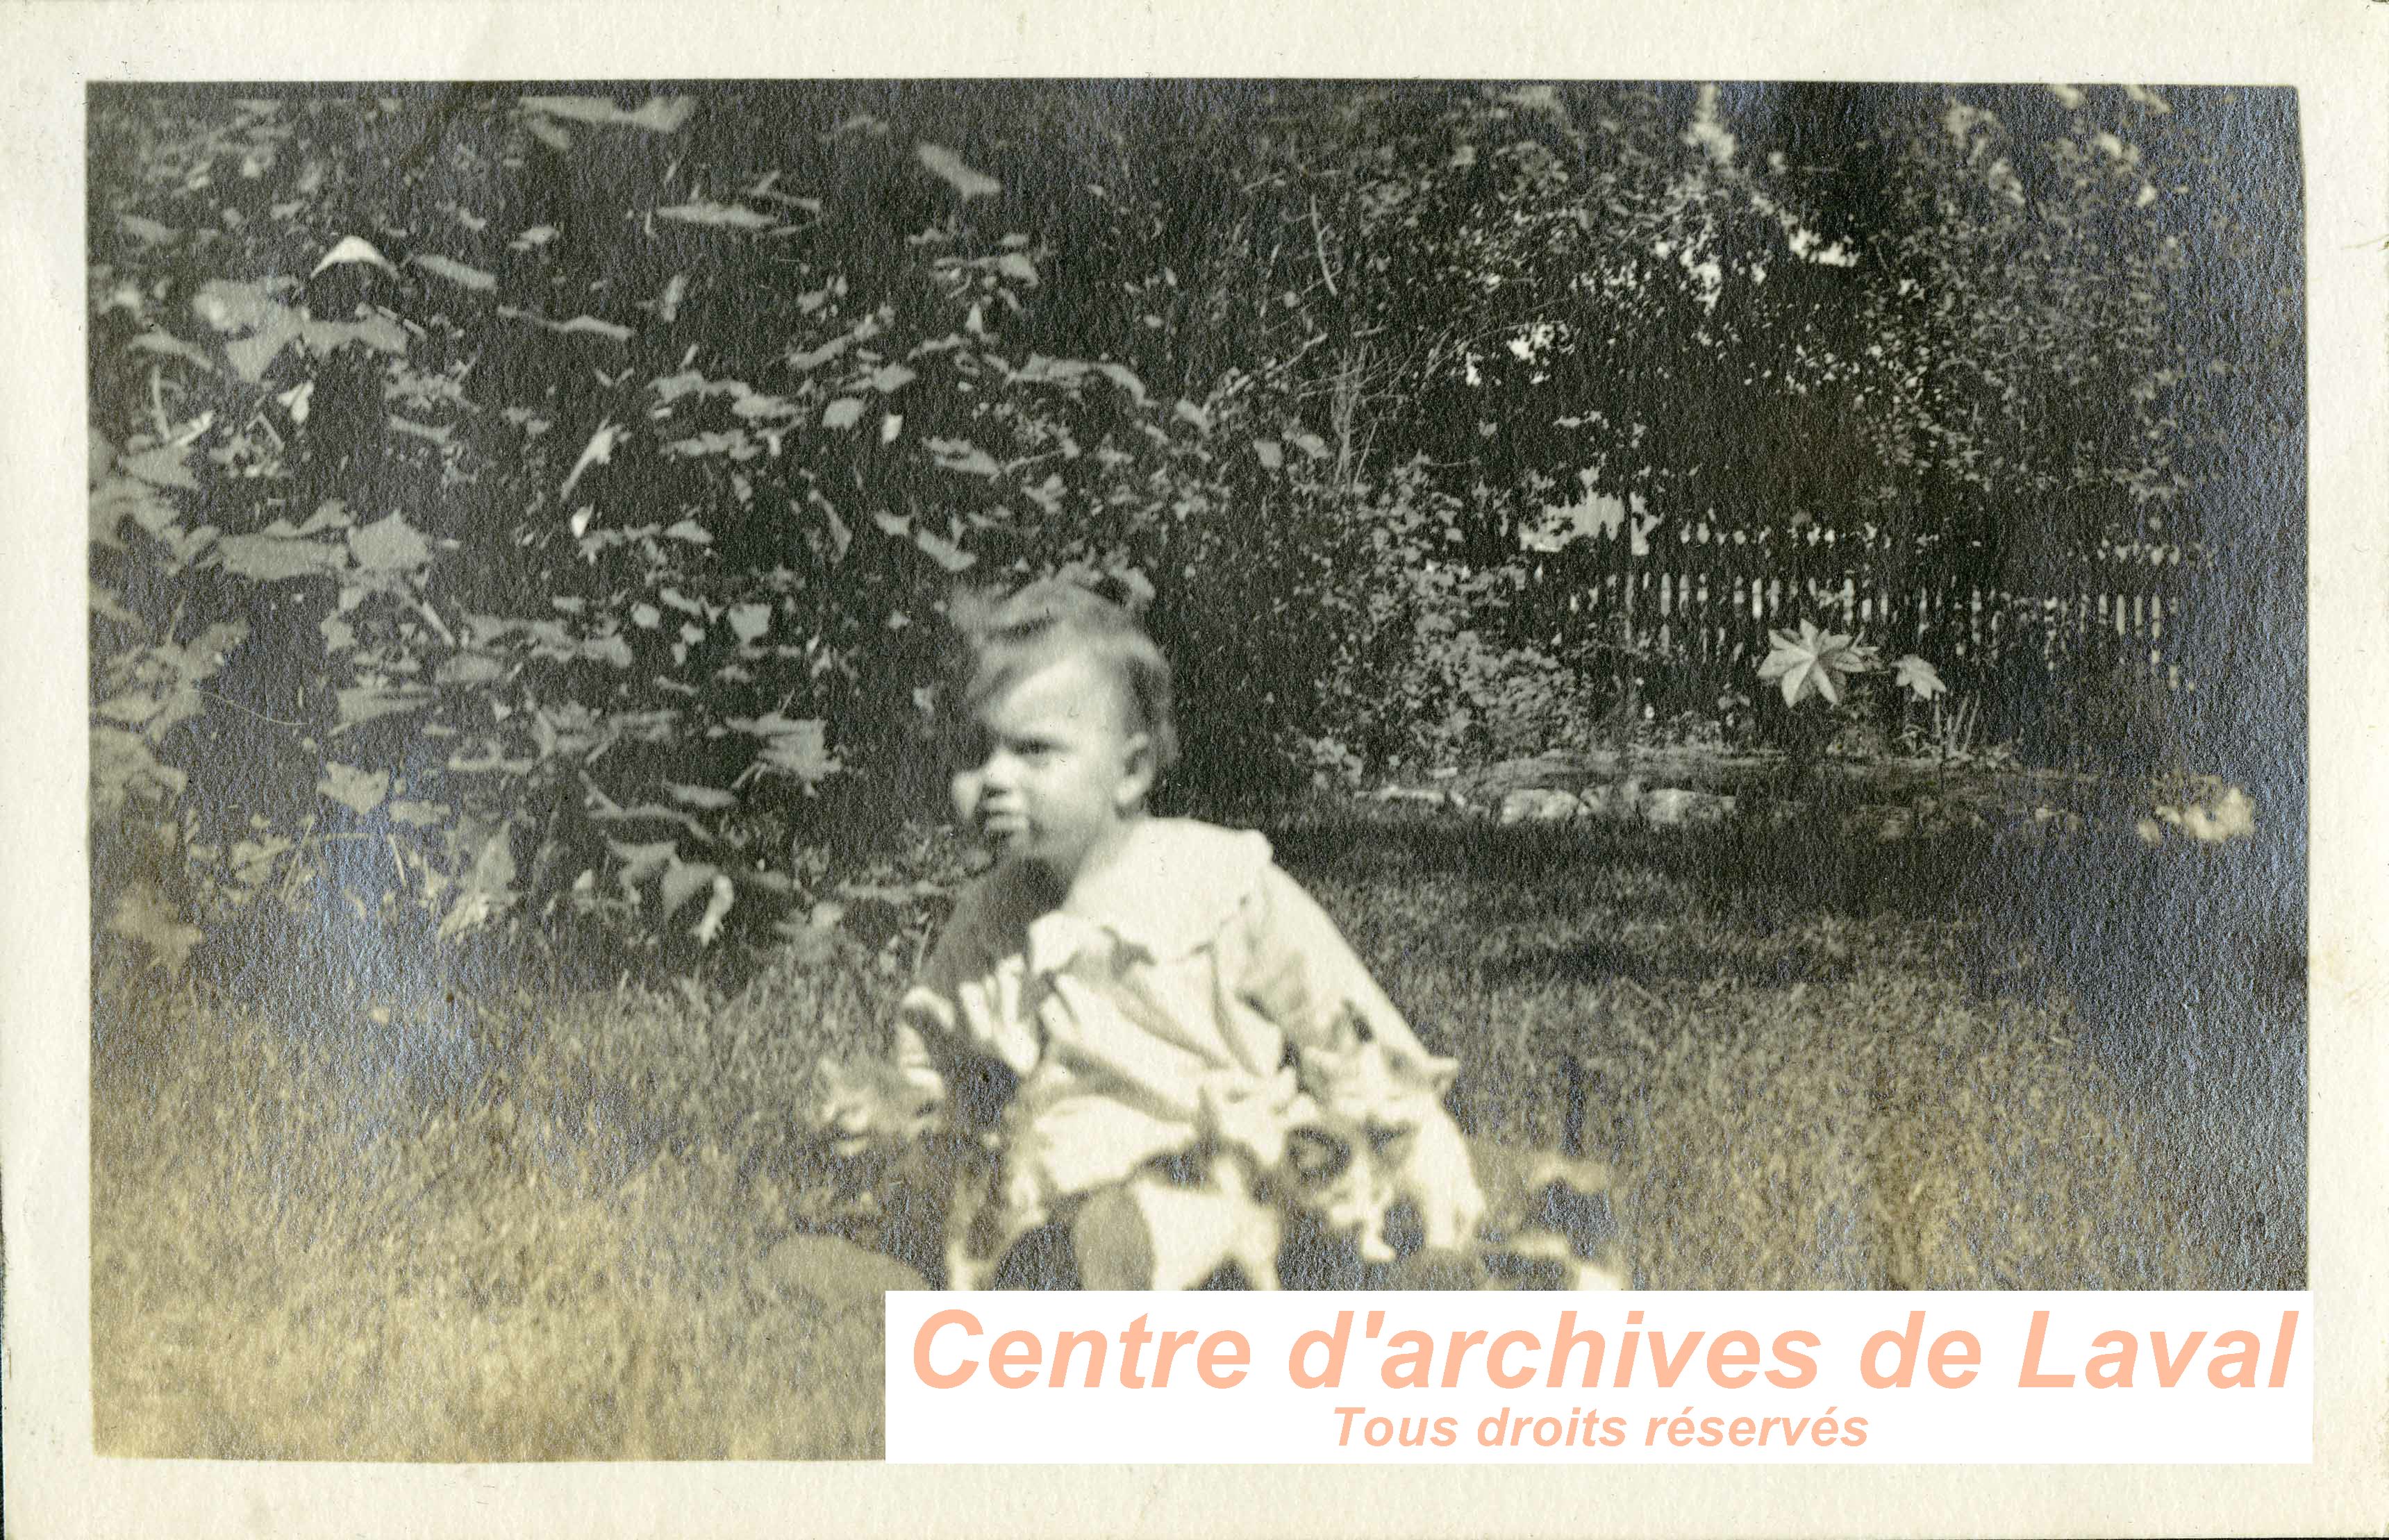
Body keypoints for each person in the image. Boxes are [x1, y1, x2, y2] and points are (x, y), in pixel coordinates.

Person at [819, 576, 1487, 1289]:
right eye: (973, 753)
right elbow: (932, 1057)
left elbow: (1344, 1025)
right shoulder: (989, 918)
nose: (993, 779)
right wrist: (897, 1127)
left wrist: (1411, 1142)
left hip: (1223, 1176)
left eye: (1032, 750)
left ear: (1131, 769)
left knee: (1146, 1228)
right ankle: (929, 1280)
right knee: (1006, 1239)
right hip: (1053, 1188)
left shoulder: (1214, 883)